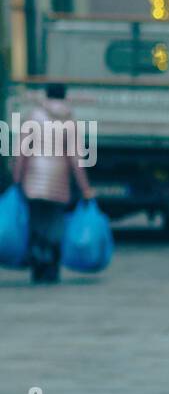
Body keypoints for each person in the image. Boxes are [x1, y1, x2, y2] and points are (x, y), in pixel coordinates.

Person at [12, 83, 94, 283]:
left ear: (45, 94)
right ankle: (51, 265)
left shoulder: (33, 116)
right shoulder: (70, 121)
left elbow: (21, 151)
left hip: (33, 178)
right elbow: (76, 159)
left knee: (36, 221)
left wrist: (16, 178)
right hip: (59, 181)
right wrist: (85, 189)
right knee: (55, 223)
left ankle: (37, 262)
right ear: (65, 96)